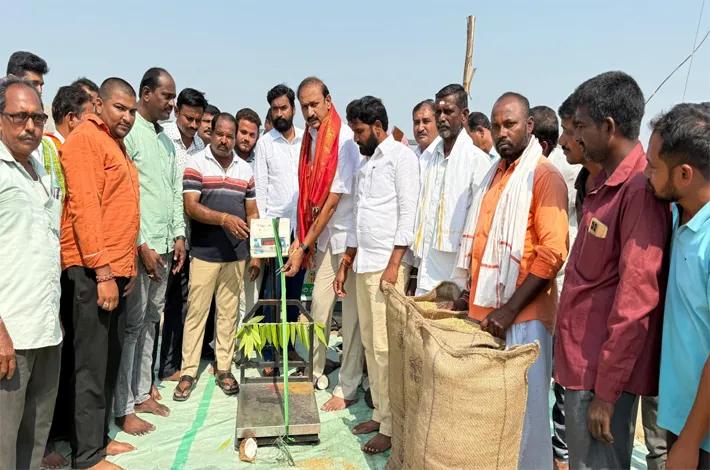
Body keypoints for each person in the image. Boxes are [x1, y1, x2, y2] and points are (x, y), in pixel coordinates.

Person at [555, 71, 671, 470]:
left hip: (599, 379)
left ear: (608, 127)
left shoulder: (637, 191)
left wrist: (606, 394)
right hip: (582, 366)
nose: (575, 137)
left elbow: (636, 301)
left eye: (581, 127)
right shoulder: (604, 184)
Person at [449, 92, 569, 469]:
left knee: (527, 420)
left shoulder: (543, 175)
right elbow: (482, 242)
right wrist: (467, 294)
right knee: (493, 416)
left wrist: (510, 310)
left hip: (524, 318)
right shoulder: (496, 173)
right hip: (489, 316)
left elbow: (553, 253)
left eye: (510, 124)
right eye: (496, 125)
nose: (501, 132)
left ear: (529, 126)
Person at [60, 77, 140, 470]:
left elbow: (120, 209)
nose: (127, 117)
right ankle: (87, 457)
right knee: (90, 366)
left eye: (132, 111)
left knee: (108, 361)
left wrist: (128, 266)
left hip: (117, 269)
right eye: (119, 108)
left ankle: (98, 439)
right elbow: (85, 209)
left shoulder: (114, 143)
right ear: (99, 105)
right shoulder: (85, 140)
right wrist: (104, 273)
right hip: (93, 271)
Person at [335, 96, 418, 454]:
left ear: (378, 127)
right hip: (365, 266)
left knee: (386, 349)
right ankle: (380, 414)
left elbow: (408, 213)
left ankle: (391, 426)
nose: (355, 138)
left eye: (359, 131)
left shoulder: (401, 158)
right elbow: (358, 218)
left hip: (387, 267)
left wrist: (394, 264)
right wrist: (345, 262)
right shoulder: (366, 165)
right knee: (371, 346)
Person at [281, 77, 364, 411]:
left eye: (315, 104)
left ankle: (348, 385)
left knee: (351, 317)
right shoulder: (310, 140)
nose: (310, 112)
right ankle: (314, 371)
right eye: (304, 106)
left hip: (347, 238)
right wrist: (301, 238)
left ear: (329, 101)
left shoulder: (343, 140)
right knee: (318, 306)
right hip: (324, 237)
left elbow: (331, 203)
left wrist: (303, 246)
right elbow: (307, 197)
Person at [114, 67, 183, 435]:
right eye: (166, 96)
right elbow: (126, 196)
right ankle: (123, 405)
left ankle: (142, 392)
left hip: (165, 246)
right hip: (141, 249)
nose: (171, 103)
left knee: (152, 321)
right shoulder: (131, 136)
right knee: (132, 327)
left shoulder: (167, 143)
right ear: (146, 93)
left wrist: (179, 235)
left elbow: (173, 192)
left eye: (173, 97)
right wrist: (141, 244)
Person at [173, 113, 260, 401]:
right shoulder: (197, 164)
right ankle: (188, 372)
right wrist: (223, 219)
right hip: (204, 254)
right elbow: (190, 207)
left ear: (235, 138)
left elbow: (252, 213)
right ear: (210, 133)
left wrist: (256, 253)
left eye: (229, 136)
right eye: (219, 134)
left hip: (236, 255)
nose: (224, 140)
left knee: (228, 314)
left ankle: (223, 368)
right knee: (197, 313)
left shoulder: (245, 170)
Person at [0, 76, 62, 470]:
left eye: (38, 118)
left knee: (35, 438)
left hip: (46, 328)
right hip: (11, 334)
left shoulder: (41, 168)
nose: (30, 126)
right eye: (19, 116)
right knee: (3, 442)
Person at [645, 102, 710, 470]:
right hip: (680, 419)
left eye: (654, 167)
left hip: (700, 436)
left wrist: (689, 442)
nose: (646, 173)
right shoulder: (677, 214)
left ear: (685, 174)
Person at [410, 84, 491, 296]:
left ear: (464, 115)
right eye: (438, 112)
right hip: (425, 272)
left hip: (456, 277)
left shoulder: (477, 161)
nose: (442, 118)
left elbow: (482, 224)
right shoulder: (431, 159)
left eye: (448, 111)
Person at [254, 84, 306, 375]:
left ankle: (288, 348)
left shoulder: (306, 141)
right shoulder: (265, 144)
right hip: (274, 230)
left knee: (294, 295)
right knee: (272, 295)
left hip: (301, 231)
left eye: (283, 108)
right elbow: (261, 191)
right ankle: (268, 353)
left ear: (293, 109)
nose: (279, 113)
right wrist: (262, 237)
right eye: (274, 109)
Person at [160, 87, 208, 381]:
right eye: (189, 118)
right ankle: (162, 369)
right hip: (165, 234)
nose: (193, 124)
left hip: (191, 235)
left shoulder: (201, 146)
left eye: (198, 120)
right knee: (161, 305)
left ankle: (173, 364)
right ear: (177, 111)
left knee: (182, 303)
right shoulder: (163, 138)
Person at [29, 85, 94, 202]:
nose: (93, 127)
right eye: (89, 120)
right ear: (71, 118)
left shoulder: (83, 154)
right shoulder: (41, 148)